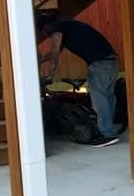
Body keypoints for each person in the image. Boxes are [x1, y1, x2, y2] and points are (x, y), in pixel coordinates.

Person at [37, 12, 120, 148]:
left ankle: (107, 134)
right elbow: (54, 55)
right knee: (107, 96)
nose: (46, 36)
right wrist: (42, 62)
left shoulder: (57, 28)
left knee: (98, 97)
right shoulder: (67, 26)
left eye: (44, 33)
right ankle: (109, 129)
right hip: (110, 60)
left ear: (46, 27)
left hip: (100, 63)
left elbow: (55, 53)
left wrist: (49, 76)